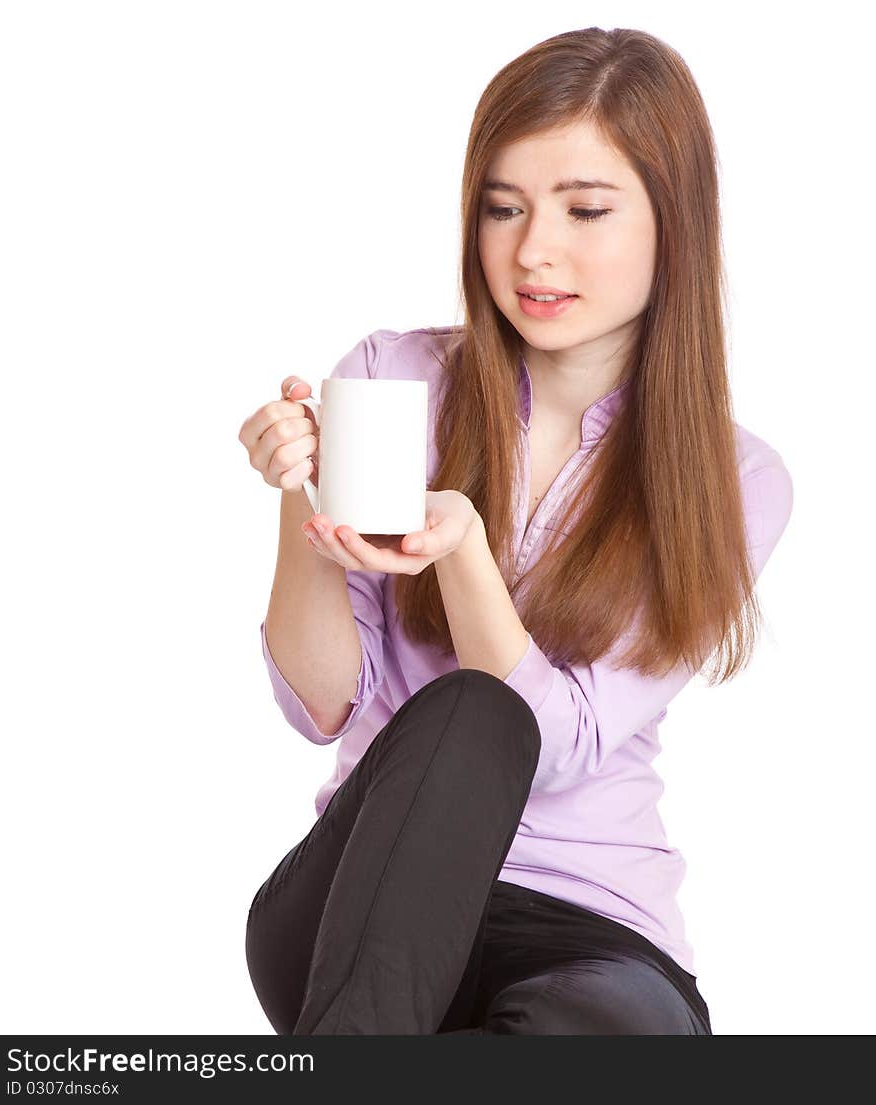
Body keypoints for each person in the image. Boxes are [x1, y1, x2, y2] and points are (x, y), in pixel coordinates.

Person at [236, 26, 793, 1035]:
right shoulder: (390, 377)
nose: (532, 249)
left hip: (587, 929)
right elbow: (321, 703)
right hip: (360, 900)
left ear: (674, 222)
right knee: (465, 714)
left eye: (583, 209)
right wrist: (300, 492)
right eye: (503, 208)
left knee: (624, 1032)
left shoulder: (735, 479)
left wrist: (464, 560)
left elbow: (561, 745)